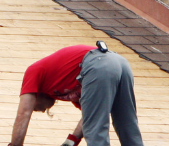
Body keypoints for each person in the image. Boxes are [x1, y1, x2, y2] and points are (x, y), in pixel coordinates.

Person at [9, 43, 144, 146]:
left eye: (35, 108)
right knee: (126, 123)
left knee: (96, 132)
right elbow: (88, 116)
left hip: (98, 64)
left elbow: (23, 113)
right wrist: (71, 141)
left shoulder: (34, 72)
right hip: (119, 63)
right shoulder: (70, 89)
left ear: (35, 95)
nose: (42, 110)